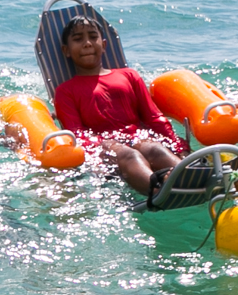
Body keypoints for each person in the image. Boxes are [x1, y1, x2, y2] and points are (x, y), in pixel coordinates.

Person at [50, 15, 184, 194]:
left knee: (154, 149)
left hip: (137, 136)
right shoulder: (65, 91)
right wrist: (96, 159)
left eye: (93, 36)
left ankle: (190, 174)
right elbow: (77, 134)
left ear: (104, 45)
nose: (87, 43)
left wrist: (178, 147)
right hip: (103, 144)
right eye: (78, 39)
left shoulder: (129, 76)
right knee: (128, 154)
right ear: (66, 51)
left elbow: (153, 117)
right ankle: (158, 190)